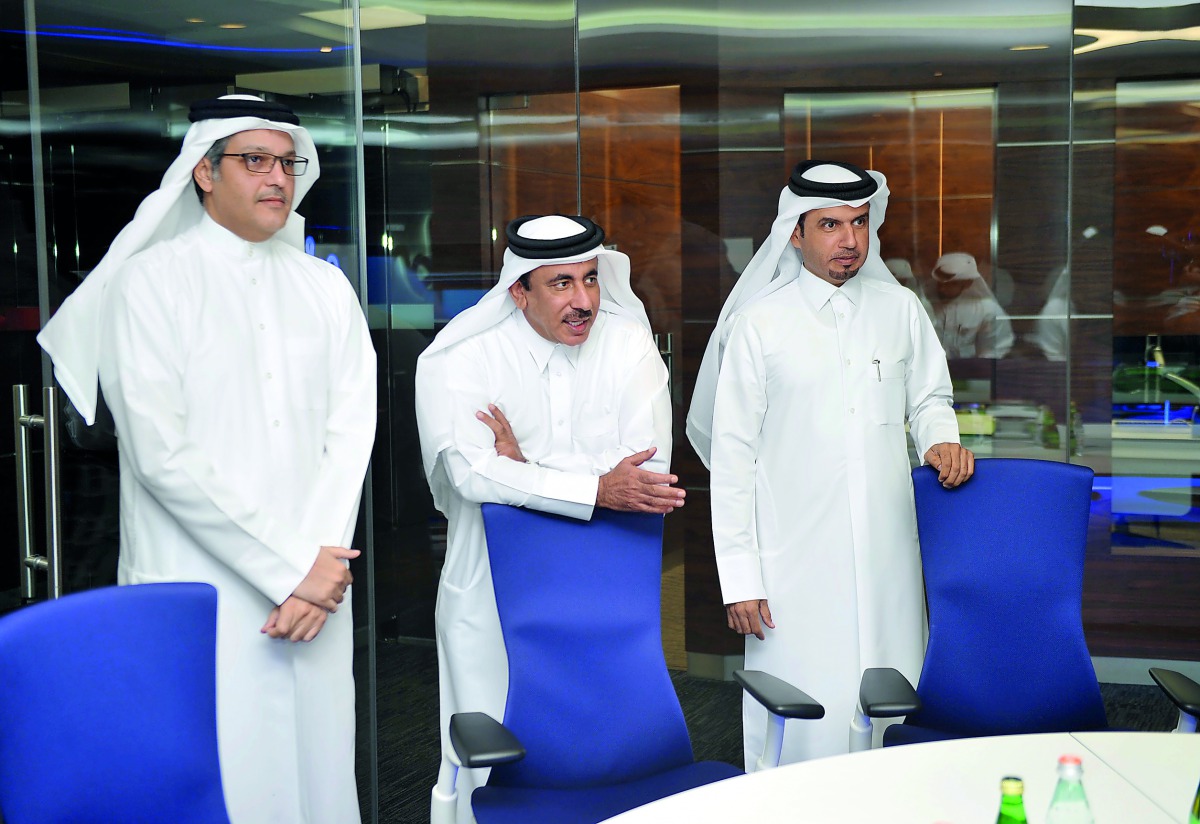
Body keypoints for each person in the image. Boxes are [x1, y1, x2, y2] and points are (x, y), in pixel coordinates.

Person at [36, 95, 376, 823]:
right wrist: (292, 569)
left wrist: (316, 570)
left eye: (286, 162)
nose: (277, 178)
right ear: (204, 172)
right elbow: (160, 453)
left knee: (317, 772)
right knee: (216, 771)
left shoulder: (325, 286)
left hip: (317, 591)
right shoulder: (150, 282)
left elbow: (351, 432)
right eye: (255, 160)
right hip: (200, 582)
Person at [687, 159, 974, 768]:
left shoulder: (899, 308)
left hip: (887, 551)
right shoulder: (758, 325)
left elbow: (929, 398)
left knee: (894, 707)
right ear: (795, 233)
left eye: (859, 223)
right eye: (830, 225)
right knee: (799, 712)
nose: (849, 240)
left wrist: (939, 439)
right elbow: (732, 460)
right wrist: (740, 578)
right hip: (792, 562)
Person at [415, 214, 684, 822]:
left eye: (590, 279)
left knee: (612, 753)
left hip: (604, 586)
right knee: (488, 757)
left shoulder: (628, 342)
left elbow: (648, 472)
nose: (583, 300)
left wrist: (525, 470)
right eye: (561, 284)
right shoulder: (463, 355)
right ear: (519, 291)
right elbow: (471, 475)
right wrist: (596, 485)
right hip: (490, 588)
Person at [928, 251, 1015, 359]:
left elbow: (995, 351)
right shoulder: (927, 305)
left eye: (952, 284)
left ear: (968, 283)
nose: (942, 288)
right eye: (939, 283)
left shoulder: (988, 311)